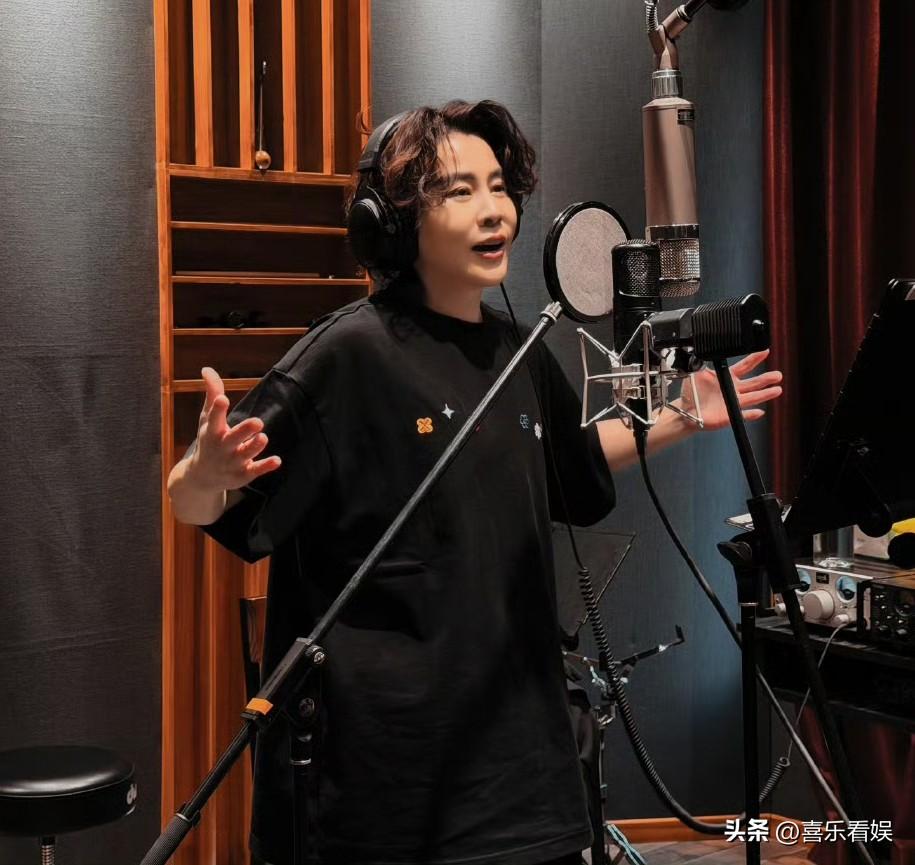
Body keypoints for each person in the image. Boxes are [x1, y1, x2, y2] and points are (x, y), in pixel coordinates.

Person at [167, 99, 782, 865]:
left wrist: (681, 416)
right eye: (459, 191)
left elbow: (570, 462)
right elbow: (210, 508)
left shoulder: (519, 352)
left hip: (521, 768)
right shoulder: (347, 355)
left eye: (498, 187)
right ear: (390, 222)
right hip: (386, 781)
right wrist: (200, 472)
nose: (493, 210)